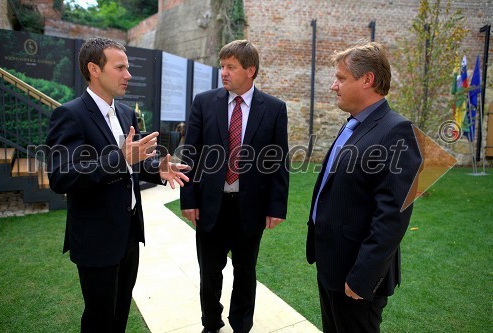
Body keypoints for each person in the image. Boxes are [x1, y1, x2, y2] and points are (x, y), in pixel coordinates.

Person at [46, 37, 189, 332]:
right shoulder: (70, 115)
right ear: (94, 69)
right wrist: (121, 158)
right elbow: (62, 176)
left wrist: (156, 169)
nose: (129, 75)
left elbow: (131, 163)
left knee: (120, 313)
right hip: (95, 238)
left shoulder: (125, 113)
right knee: (100, 320)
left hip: (128, 233)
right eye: (120, 67)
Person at [306, 41, 422, 333]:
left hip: (356, 275)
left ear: (367, 79)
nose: (334, 86)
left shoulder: (396, 130)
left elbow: (392, 216)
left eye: (341, 78)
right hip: (332, 264)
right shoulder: (354, 124)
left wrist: (362, 277)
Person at [180, 40, 289, 333]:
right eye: (222, 66)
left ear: (250, 70)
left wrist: (277, 206)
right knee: (210, 273)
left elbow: (278, 161)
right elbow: (190, 152)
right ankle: (211, 323)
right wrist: (188, 199)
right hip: (210, 206)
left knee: (245, 272)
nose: (223, 73)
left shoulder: (275, 109)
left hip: (250, 207)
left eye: (231, 67)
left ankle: (242, 325)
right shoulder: (204, 102)